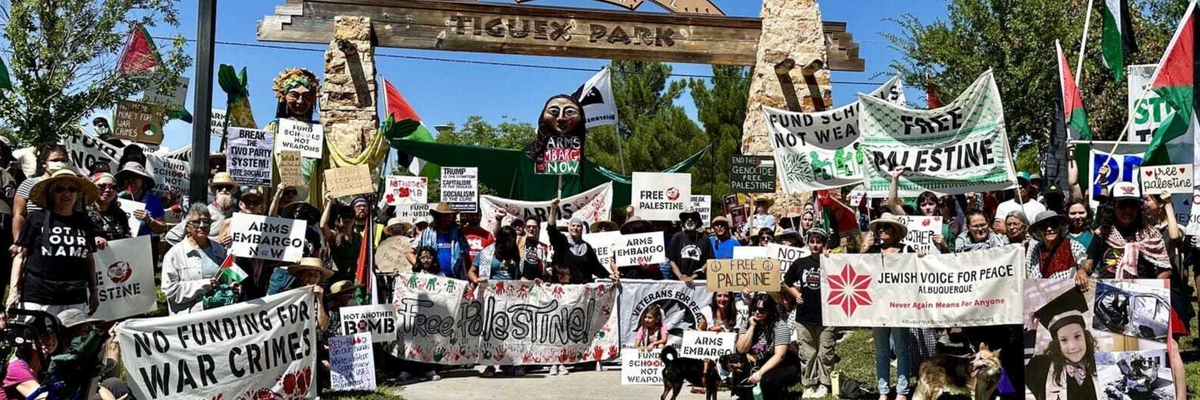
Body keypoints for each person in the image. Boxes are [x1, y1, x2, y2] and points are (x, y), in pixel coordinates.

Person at [6, 169, 100, 315]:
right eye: (60, 189)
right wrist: (14, 291)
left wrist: (94, 291)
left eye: (72, 189)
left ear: (78, 194)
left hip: (74, 296)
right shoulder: (36, 217)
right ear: (51, 193)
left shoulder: (84, 222)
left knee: (71, 337)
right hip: (38, 296)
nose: (66, 194)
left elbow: (89, 258)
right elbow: (20, 256)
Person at [864, 213, 915, 400]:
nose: (882, 230)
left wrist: (921, 258)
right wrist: (864, 250)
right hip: (877, 307)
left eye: (886, 227)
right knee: (882, 350)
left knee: (902, 349)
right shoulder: (872, 251)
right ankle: (883, 390)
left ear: (895, 231)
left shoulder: (908, 249)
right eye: (880, 228)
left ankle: (902, 391)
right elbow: (856, 267)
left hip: (900, 306)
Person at [784, 227, 834, 398]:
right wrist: (796, 294)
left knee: (825, 351)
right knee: (807, 352)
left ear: (824, 244)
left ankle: (824, 383)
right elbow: (786, 282)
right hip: (804, 316)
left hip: (827, 315)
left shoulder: (832, 262)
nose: (815, 245)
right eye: (812, 241)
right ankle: (809, 384)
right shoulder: (800, 263)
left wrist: (832, 258)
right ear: (807, 243)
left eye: (819, 241)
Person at [1025, 289, 1097, 400]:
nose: (1073, 346)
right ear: (1056, 344)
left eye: (1077, 336)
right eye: (1064, 340)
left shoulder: (1096, 365)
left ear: (1085, 336)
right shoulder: (1042, 368)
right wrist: (1029, 335)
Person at [161, 205, 227, 315]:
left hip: (218, 315)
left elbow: (227, 276)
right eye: (196, 222)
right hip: (190, 318)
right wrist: (205, 284)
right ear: (188, 227)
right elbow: (170, 291)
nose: (202, 226)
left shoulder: (219, 249)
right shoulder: (174, 254)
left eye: (206, 221)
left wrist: (233, 284)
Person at [735, 294, 801, 400]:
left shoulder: (780, 326)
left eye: (761, 310)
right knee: (739, 372)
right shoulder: (748, 323)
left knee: (767, 380)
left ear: (769, 311)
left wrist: (760, 373)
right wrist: (752, 327)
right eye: (754, 309)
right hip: (756, 361)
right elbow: (741, 349)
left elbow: (780, 355)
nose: (756, 312)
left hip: (779, 364)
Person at [12, 143, 69, 246]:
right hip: (34, 239)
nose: (60, 163)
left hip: (64, 238)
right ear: (44, 163)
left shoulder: (71, 187)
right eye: (55, 160)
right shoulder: (29, 183)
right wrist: (18, 242)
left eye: (64, 160)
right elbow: (18, 214)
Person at [886, 167, 952, 253]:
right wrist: (895, 178)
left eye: (931, 204)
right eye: (923, 205)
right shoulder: (911, 223)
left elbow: (954, 258)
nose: (927, 208)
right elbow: (892, 203)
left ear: (937, 206)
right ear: (918, 208)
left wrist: (945, 245)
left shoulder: (946, 229)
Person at [547, 198, 611, 284]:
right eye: (573, 225)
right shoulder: (561, 241)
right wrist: (553, 208)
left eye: (578, 226)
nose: (575, 228)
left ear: (582, 229)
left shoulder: (587, 247)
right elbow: (551, 229)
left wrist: (609, 275)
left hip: (581, 288)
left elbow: (596, 266)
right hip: (562, 287)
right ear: (569, 227)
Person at [164, 172, 239, 246]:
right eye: (220, 187)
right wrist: (192, 250)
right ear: (214, 190)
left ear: (232, 191)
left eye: (228, 187)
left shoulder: (237, 215)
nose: (224, 190)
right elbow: (172, 236)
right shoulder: (202, 212)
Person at [411, 203, 473, 281]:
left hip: (456, 279)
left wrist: (469, 278)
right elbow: (410, 253)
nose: (447, 218)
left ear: (453, 217)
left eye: (449, 216)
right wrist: (421, 266)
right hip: (433, 278)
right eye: (444, 216)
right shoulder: (427, 233)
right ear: (437, 216)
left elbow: (466, 257)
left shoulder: (458, 234)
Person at [3, 317, 59, 400]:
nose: (50, 339)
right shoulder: (17, 367)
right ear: (29, 340)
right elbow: (42, 398)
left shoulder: (44, 368)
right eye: (43, 335)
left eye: (53, 334)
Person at [1026, 211, 1087, 280]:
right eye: (1043, 226)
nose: (1049, 229)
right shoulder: (1035, 250)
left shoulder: (1072, 245)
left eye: (1054, 225)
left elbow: (1085, 262)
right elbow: (1028, 273)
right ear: (1038, 232)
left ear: (1060, 227)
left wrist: (1082, 270)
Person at [114, 162, 167, 237]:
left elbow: (162, 228)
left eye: (135, 176)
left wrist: (149, 220)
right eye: (127, 176)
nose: (131, 179)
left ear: (143, 180)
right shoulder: (114, 198)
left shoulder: (153, 200)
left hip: (143, 244)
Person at [321, 198, 362, 283]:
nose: (347, 219)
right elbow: (323, 225)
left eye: (350, 216)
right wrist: (329, 203)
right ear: (339, 219)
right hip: (335, 278)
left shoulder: (358, 237)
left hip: (352, 277)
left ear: (354, 219)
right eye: (344, 216)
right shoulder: (334, 235)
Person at [669, 210, 713, 287]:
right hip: (678, 283)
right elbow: (672, 261)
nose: (690, 220)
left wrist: (693, 277)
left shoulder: (704, 238)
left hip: (698, 284)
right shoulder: (677, 237)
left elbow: (708, 261)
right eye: (686, 218)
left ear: (697, 221)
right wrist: (681, 276)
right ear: (683, 221)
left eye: (693, 217)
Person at [86, 173, 131, 248]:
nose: (107, 190)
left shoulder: (120, 214)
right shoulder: (82, 212)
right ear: (92, 188)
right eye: (102, 186)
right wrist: (92, 240)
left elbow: (126, 236)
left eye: (113, 187)